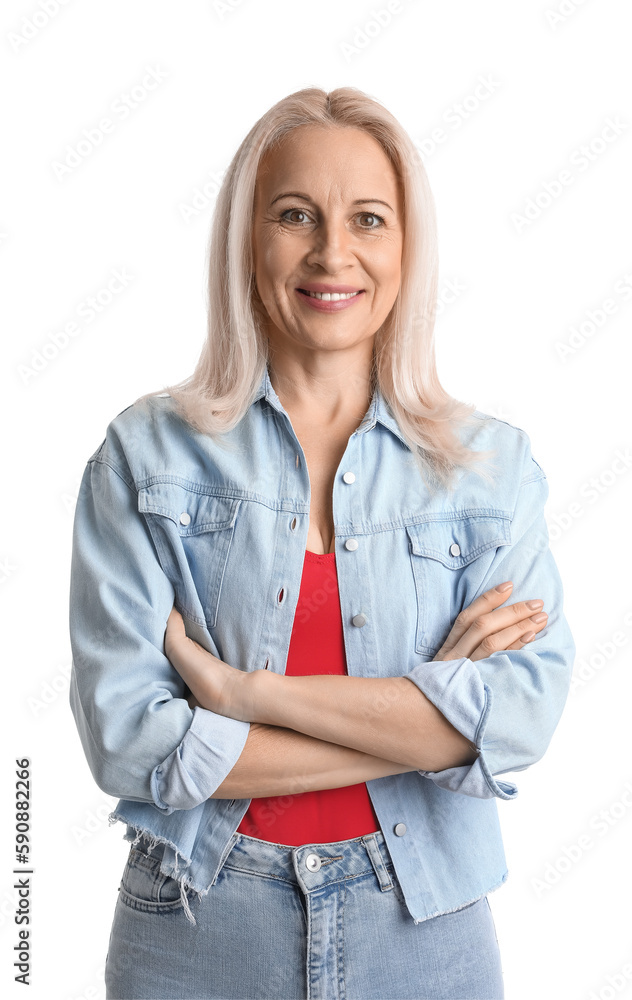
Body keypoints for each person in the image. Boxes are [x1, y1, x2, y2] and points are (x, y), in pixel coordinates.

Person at [69, 86, 575, 1000]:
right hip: (195, 925)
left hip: (426, 932)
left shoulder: (492, 471)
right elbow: (132, 744)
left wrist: (243, 696)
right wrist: (425, 730)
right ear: (246, 240)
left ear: (407, 248)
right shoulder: (142, 456)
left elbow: (520, 718)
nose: (332, 252)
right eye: (294, 215)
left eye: (368, 219)